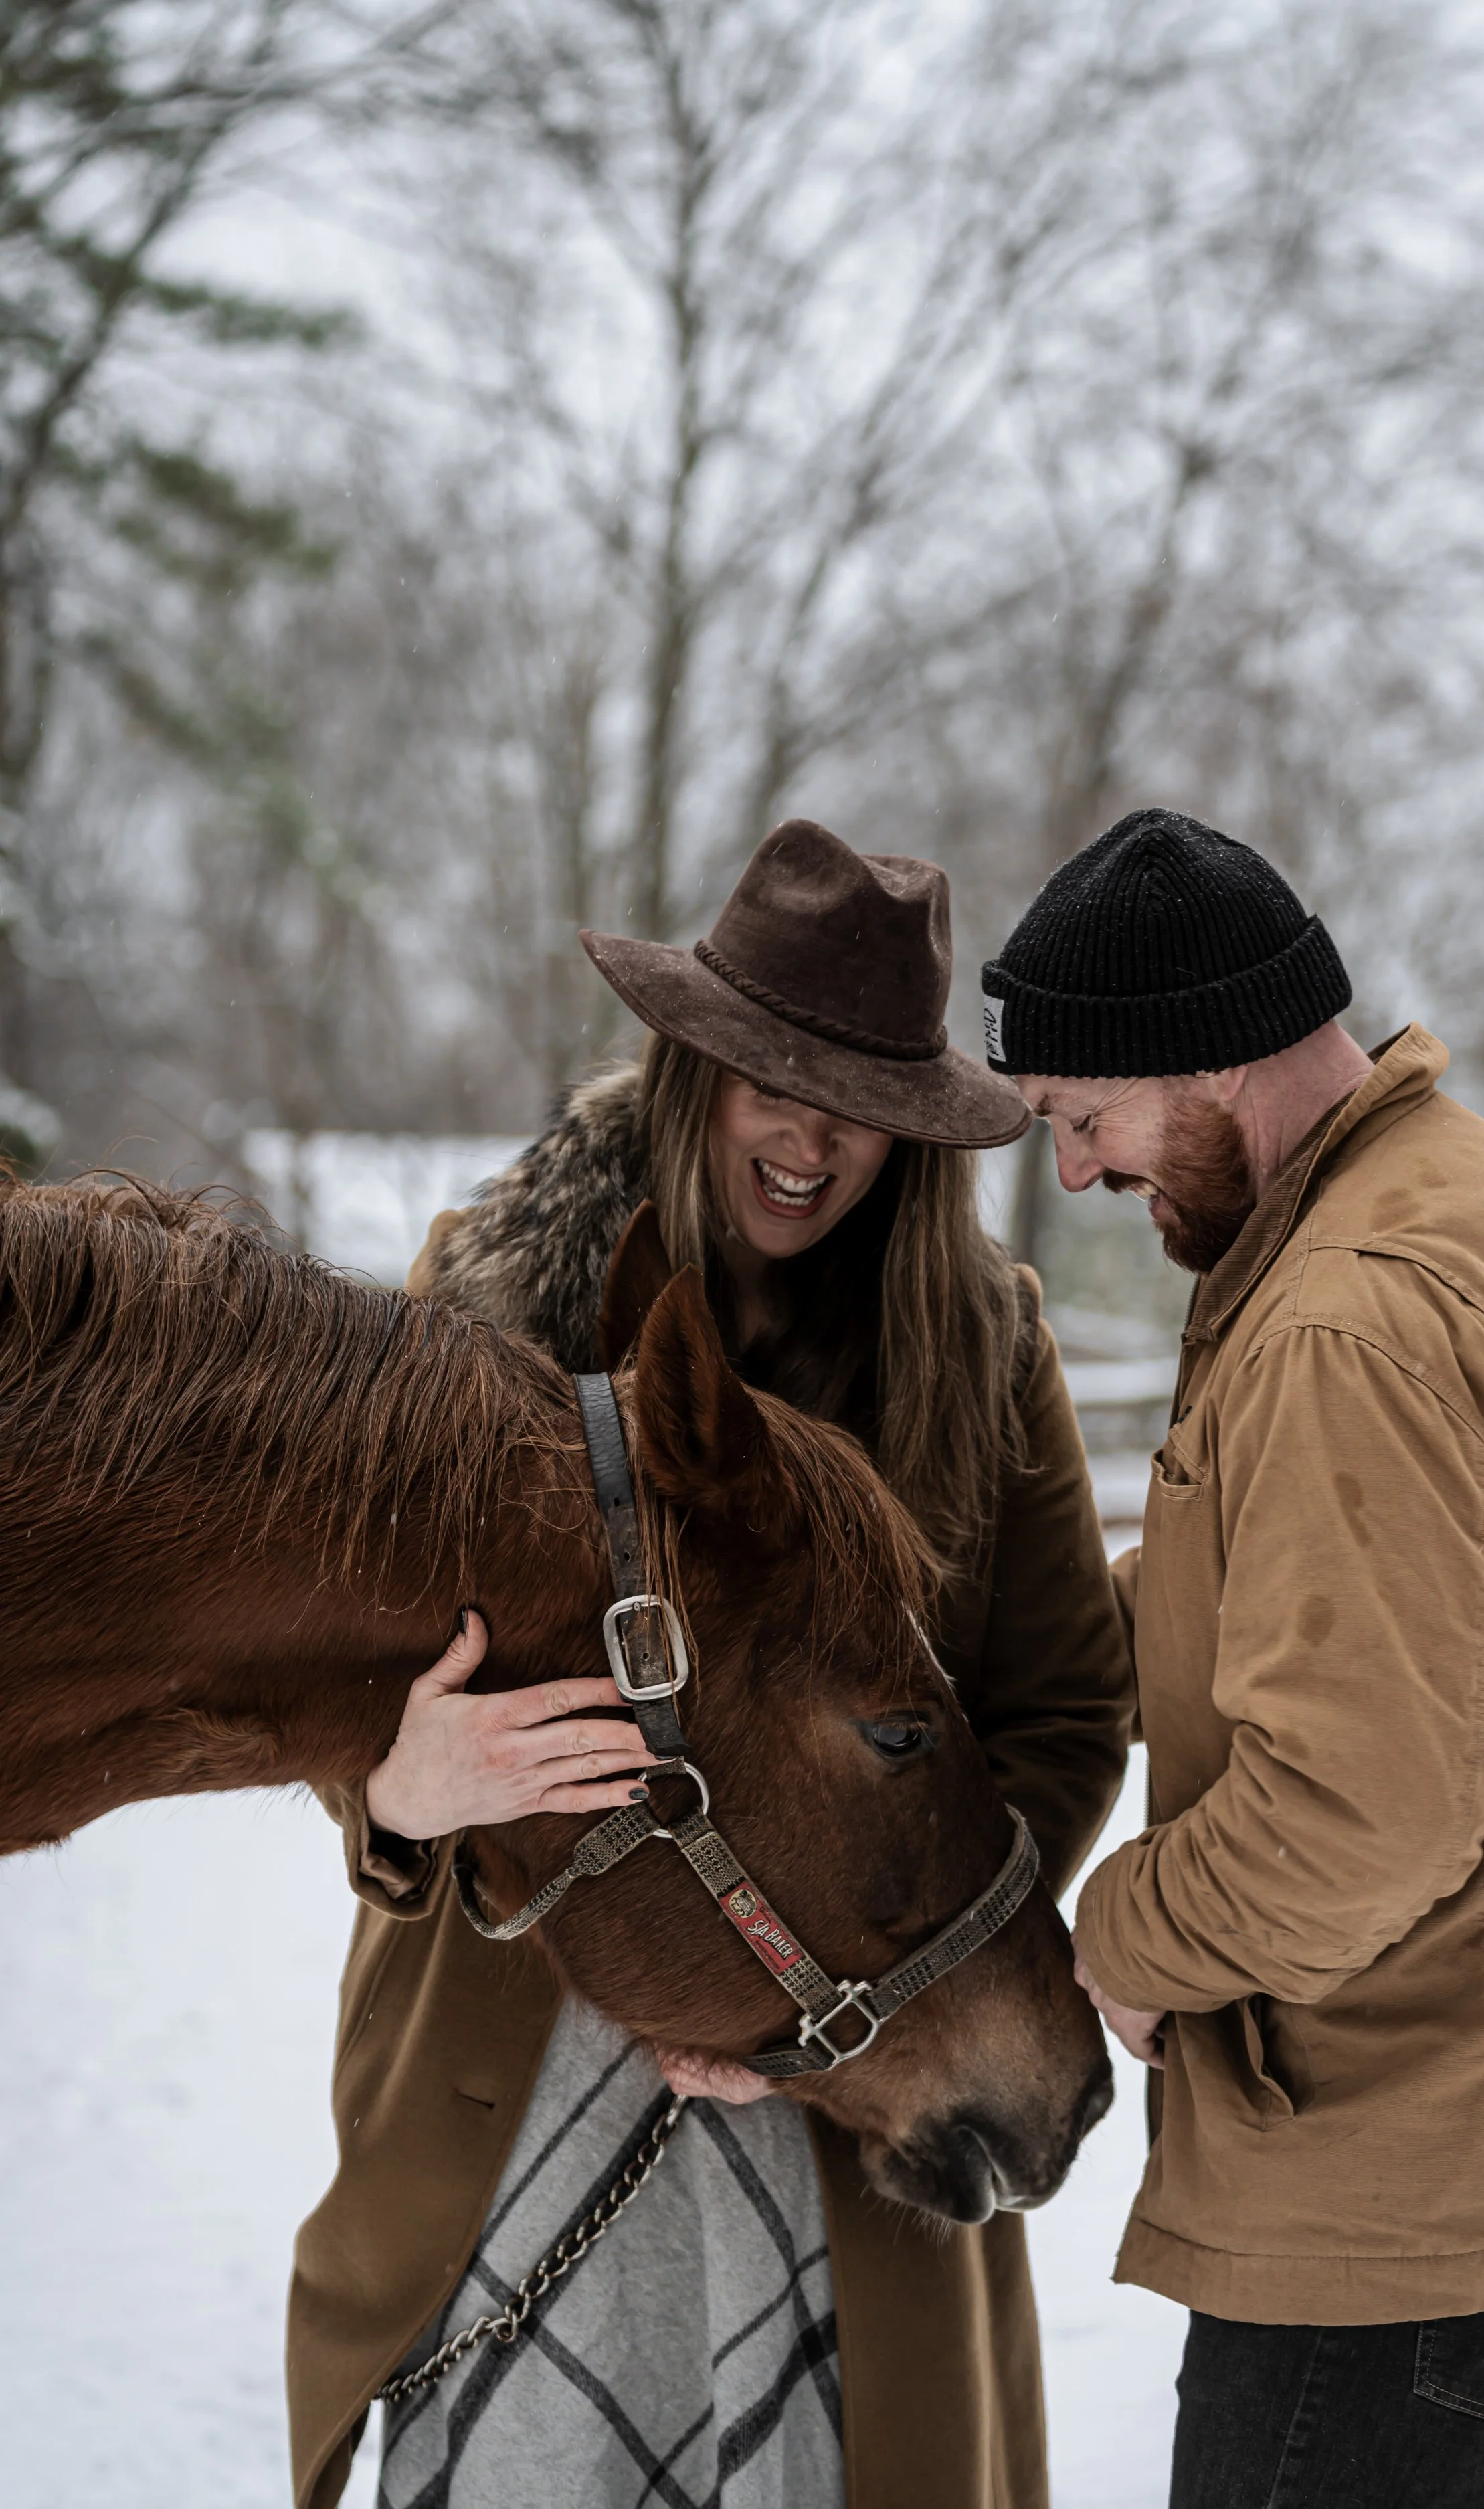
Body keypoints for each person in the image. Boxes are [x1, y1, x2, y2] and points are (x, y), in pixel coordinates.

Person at [286, 818, 1131, 2509]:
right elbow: (336, 1670)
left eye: (865, 1104)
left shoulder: (981, 1347)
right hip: (512, 2053)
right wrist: (394, 1792)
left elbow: (1060, 1705)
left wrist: (859, 1966)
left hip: (847, 2085)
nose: (812, 1136)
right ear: (692, 1069)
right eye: (770, 1079)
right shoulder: (480, 1308)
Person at [982, 804, 1484, 2509]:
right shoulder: (1472, 1204)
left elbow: (1360, 1809)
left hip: (1403, 2221)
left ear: (1207, 1062)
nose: (1073, 1170)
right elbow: (1394, 1620)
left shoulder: (1343, 1323)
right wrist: (1022, 1630)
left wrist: (1120, 1937)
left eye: (1085, 1117)